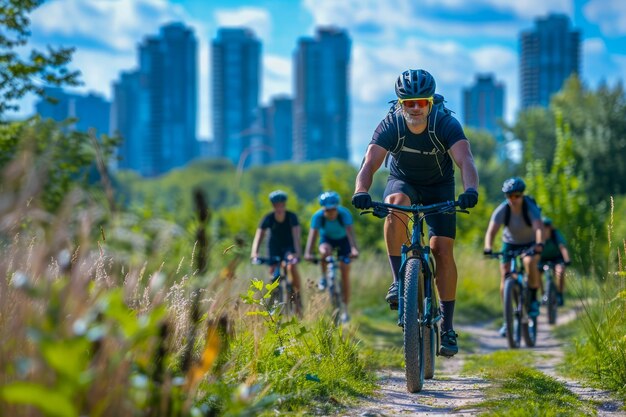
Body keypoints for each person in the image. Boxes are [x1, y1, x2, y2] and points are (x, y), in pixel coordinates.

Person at [351, 69, 479, 357]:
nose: (416, 108)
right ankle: (399, 281)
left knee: (441, 249)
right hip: (403, 181)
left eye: (422, 102)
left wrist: (470, 190)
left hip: (439, 186)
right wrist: (361, 191)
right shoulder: (391, 125)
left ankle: (447, 326)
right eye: (409, 103)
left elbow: (465, 160)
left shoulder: (445, 123)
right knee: (395, 204)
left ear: (431, 102)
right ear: (400, 103)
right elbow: (369, 163)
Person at [483, 177, 544, 337]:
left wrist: (539, 244)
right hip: (510, 243)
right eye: (509, 196)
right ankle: (507, 320)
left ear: (522, 195)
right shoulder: (503, 210)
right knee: (505, 276)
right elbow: (491, 231)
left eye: (516, 196)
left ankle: (532, 300)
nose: (512, 199)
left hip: (530, 243)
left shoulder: (530, 207)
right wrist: (488, 247)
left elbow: (539, 228)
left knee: (530, 262)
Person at [304, 191, 359, 323]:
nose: (330, 213)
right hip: (327, 240)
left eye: (333, 210)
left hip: (343, 241)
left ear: (337, 207)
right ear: (323, 209)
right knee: (324, 251)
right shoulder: (318, 217)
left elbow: (351, 235)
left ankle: (345, 310)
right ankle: (324, 277)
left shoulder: (344, 214)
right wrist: (308, 253)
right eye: (327, 210)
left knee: (345, 273)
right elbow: (313, 237)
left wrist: (354, 249)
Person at [250, 190, 303, 314]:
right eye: (276, 205)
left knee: (291, 266)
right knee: (273, 273)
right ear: (273, 206)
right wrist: (254, 253)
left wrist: (297, 253)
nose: (279, 207)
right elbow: (258, 236)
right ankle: (274, 300)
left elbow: (296, 237)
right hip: (274, 247)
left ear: (284, 205)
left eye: (281, 204)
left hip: (289, 247)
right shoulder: (268, 218)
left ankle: (298, 298)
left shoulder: (291, 217)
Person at [540, 217, 571, 306]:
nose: (544, 228)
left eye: (546, 226)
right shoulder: (538, 235)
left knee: (560, 272)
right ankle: (543, 295)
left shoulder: (555, 235)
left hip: (556, 258)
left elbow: (562, 247)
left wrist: (567, 259)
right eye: (542, 226)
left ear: (550, 227)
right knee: (536, 274)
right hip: (542, 259)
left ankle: (559, 295)